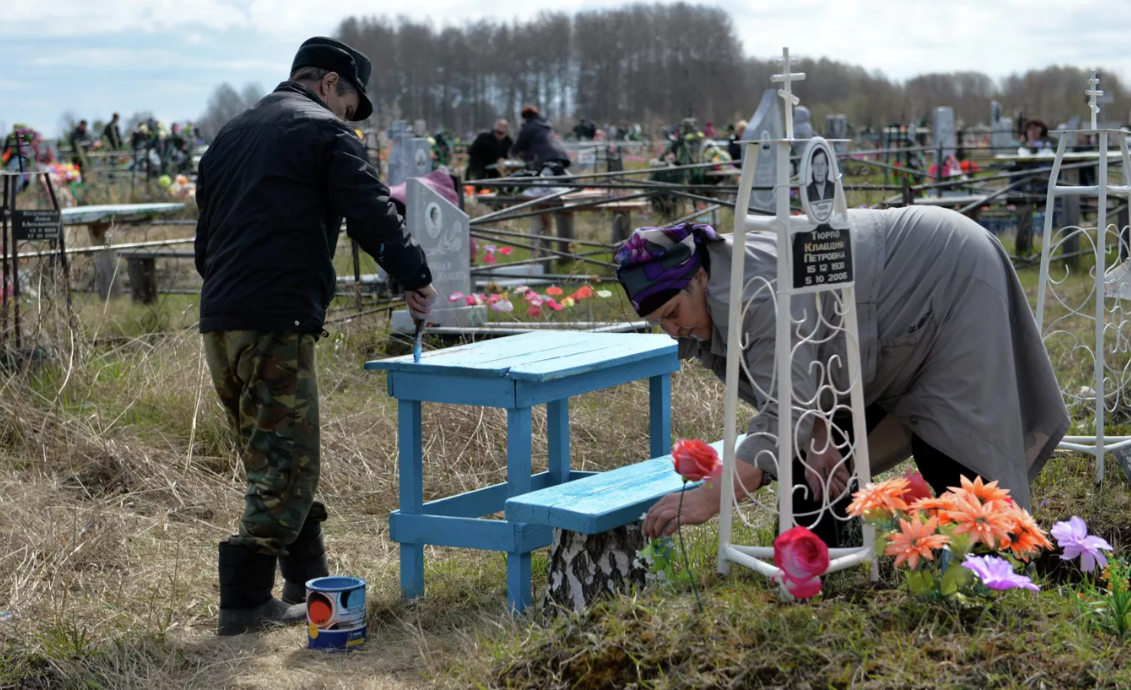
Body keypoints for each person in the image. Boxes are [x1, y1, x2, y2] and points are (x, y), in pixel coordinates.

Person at [625, 209, 1069, 544]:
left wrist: (710, 498)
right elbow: (790, 372)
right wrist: (817, 428)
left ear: (699, 277)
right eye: (659, 322)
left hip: (943, 278)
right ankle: (814, 579)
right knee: (807, 482)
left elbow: (785, 407)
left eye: (672, 313)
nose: (672, 330)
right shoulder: (709, 305)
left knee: (955, 460)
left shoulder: (752, 292)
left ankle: (1038, 566)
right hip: (873, 330)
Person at [195, 36, 437, 636]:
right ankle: (246, 605)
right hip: (275, 317)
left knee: (276, 454)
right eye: (352, 103)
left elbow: (205, 239)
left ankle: (308, 583)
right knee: (285, 461)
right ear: (331, 83)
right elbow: (372, 211)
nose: (349, 116)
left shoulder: (231, 134)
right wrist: (416, 276)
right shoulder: (324, 133)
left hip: (221, 317)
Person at [511, 105, 571, 175]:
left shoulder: (529, 126)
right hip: (561, 155)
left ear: (525, 117)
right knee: (558, 179)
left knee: (543, 181)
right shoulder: (545, 125)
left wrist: (512, 153)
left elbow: (519, 144)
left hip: (544, 157)